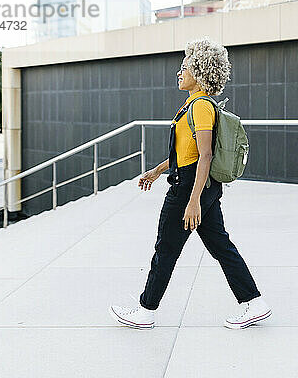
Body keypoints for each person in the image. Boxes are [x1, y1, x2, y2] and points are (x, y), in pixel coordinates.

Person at [109, 38, 271, 330]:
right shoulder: (194, 105)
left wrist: (193, 199)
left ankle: (145, 311)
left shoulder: (200, 107)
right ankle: (254, 303)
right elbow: (187, 154)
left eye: (184, 68)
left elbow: (206, 155)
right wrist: (157, 171)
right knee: (220, 245)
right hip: (198, 185)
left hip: (190, 188)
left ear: (199, 71)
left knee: (166, 248)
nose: (179, 73)